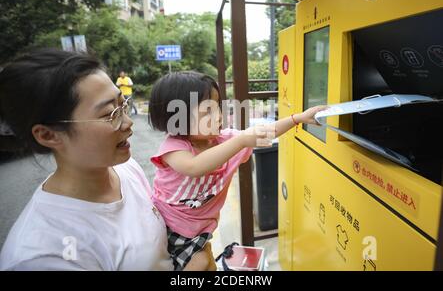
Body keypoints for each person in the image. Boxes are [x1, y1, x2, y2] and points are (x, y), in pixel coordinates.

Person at [0, 49, 212, 271]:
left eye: (123, 104)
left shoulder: (125, 169)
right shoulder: (42, 256)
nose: (128, 122)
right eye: (110, 114)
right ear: (48, 135)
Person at [148, 71, 327, 270]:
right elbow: (194, 167)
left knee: (207, 264)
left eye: (217, 107)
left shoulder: (226, 140)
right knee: (200, 263)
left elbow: (264, 133)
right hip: (170, 228)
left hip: (200, 232)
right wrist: (241, 140)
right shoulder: (174, 149)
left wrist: (297, 119)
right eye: (207, 111)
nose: (218, 116)